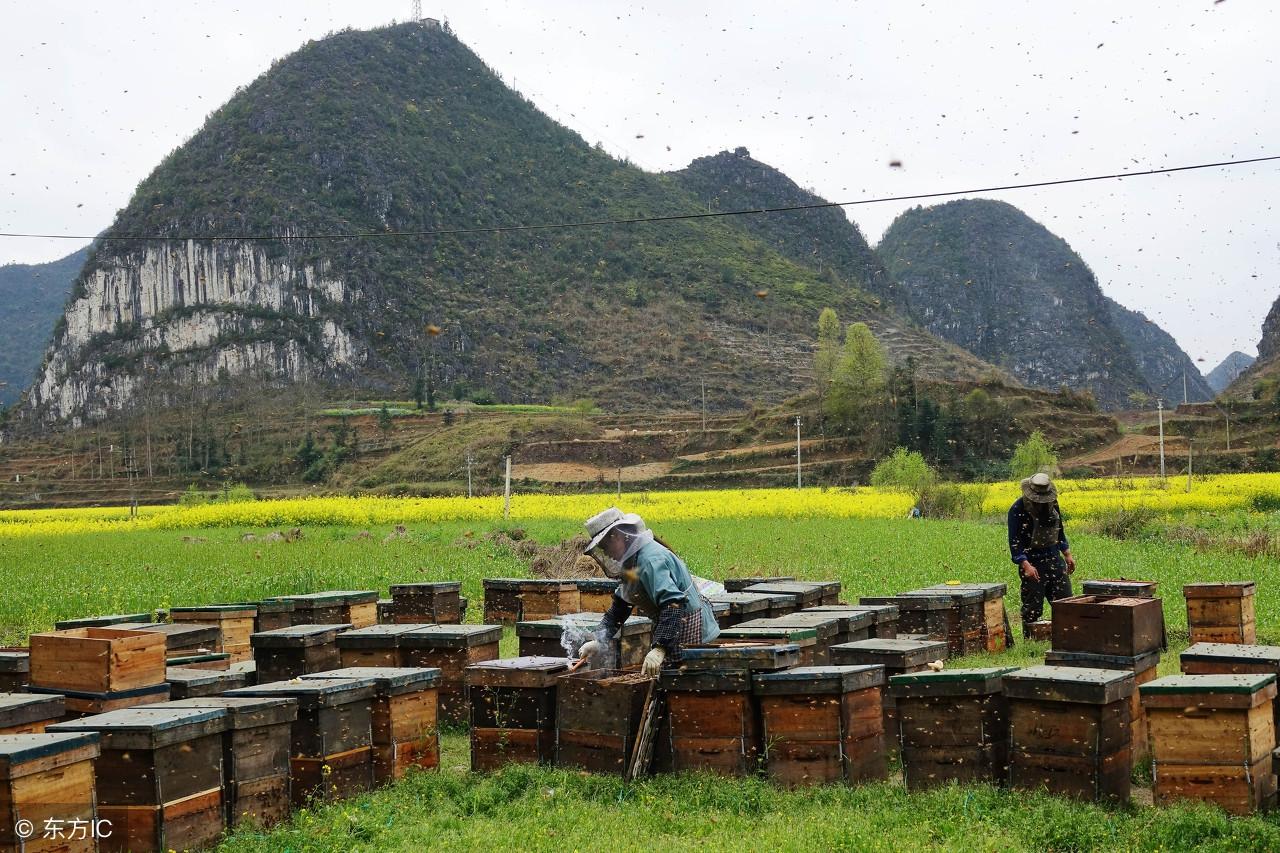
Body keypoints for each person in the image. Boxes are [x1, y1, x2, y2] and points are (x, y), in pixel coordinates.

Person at [577, 507, 719, 675]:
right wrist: (599, 639)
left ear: (617, 537)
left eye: (605, 546)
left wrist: (660, 647)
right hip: (672, 625)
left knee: (682, 686)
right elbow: (622, 605)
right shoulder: (632, 561)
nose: (607, 553)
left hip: (688, 628)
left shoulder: (650, 560)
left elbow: (672, 604)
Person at [1008, 472, 1076, 636]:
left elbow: (1060, 531)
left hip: (1054, 559)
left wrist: (1067, 554)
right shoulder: (1017, 509)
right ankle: (1031, 641)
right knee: (1032, 607)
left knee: (1065, 602)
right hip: (1032, 563)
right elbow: (1014, 542)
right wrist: (1026, 565)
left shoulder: (1053, 504)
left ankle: (1068, 637)